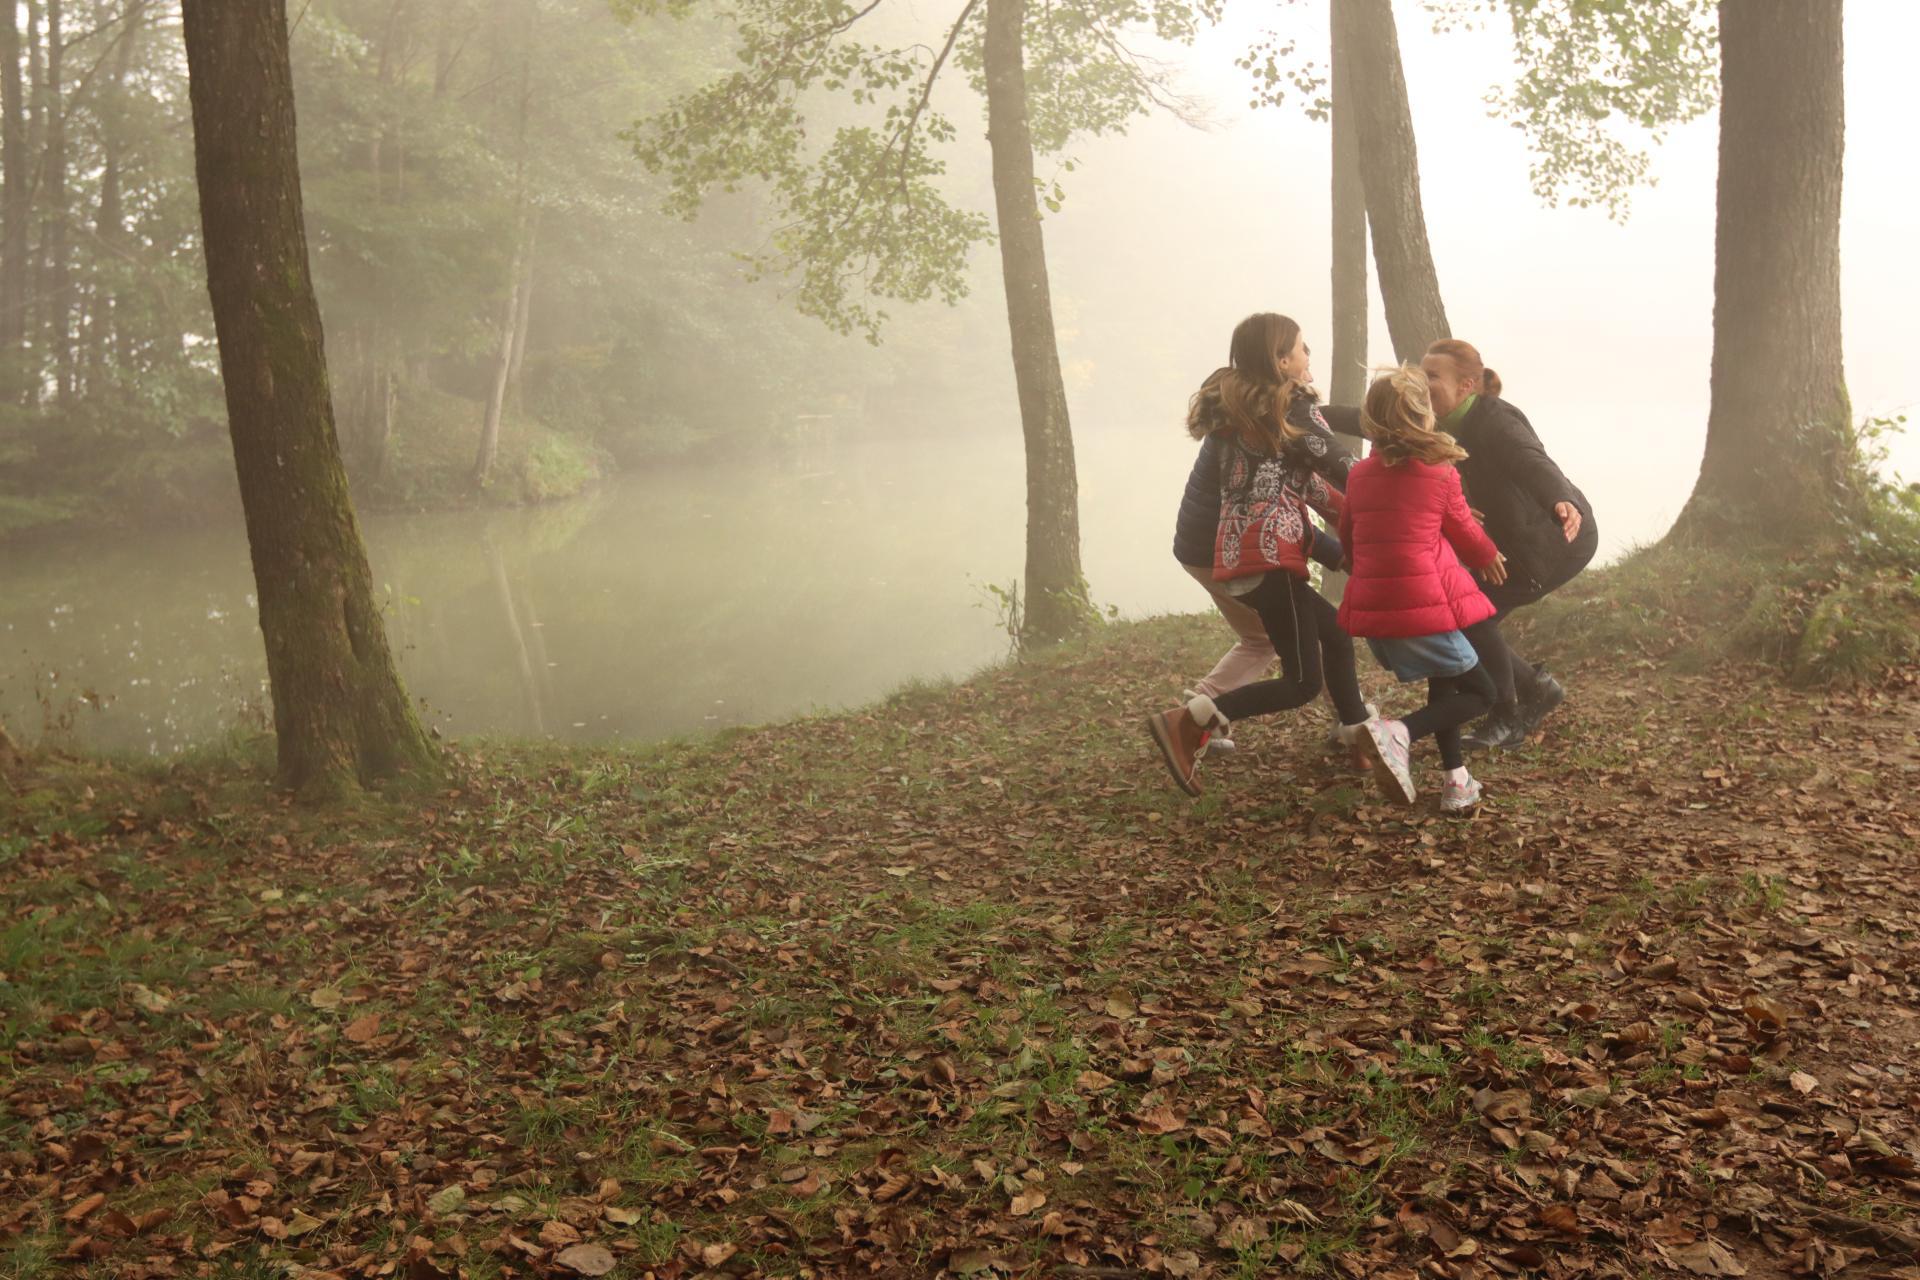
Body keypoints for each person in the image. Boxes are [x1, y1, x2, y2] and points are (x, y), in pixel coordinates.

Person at [1146, 313, 1376, 797]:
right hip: (1260, 557)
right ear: (1281, 360)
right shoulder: (1288, 410)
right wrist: (1410, 498)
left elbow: (1302, 486)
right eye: (1302, 347)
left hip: (1242, 551)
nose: (1309, 355)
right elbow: (1341, 469)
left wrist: (1343, 552)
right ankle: (1191, 721)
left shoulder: (1253, 412)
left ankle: (1356, 729)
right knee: (1299, 682)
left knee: (1332, 635)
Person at [1338, 367, 1505, 812]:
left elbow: (1348, 536)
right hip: (1418, 608)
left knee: (1446, 680)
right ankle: (1400, 733)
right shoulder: (1440, 472)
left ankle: (1457, 781)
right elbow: (1465, 529)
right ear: (1423, 416)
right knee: (1482, 693)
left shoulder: (1359, 475)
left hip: (1376, 612)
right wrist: (1488, 554)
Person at [1422, 340, 1597, 750]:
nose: (1423, 382)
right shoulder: (1434, 423)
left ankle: (1510, 713)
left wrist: (1562, 500)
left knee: (1469, 620)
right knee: (1461, 618)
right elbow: (1372, 419)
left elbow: (1531, 460)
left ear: (1466, 385)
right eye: (1421, 373)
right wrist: (1304, 413)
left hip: (1555, 540)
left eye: (1433, 375)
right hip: (1507, 545)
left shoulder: (1493, 420)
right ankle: (1534, 688)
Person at [1170, 372, 1351, 754]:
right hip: (1234, 556)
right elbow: (1284, 517)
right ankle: (1194, 719)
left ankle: (1350, 718)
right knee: (1292, 662)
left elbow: (1302, 507)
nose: (1310, 372)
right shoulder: (1265, 438)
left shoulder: (1241, 424)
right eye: (1303, 357)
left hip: (1206, 550)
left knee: (1279, 638)